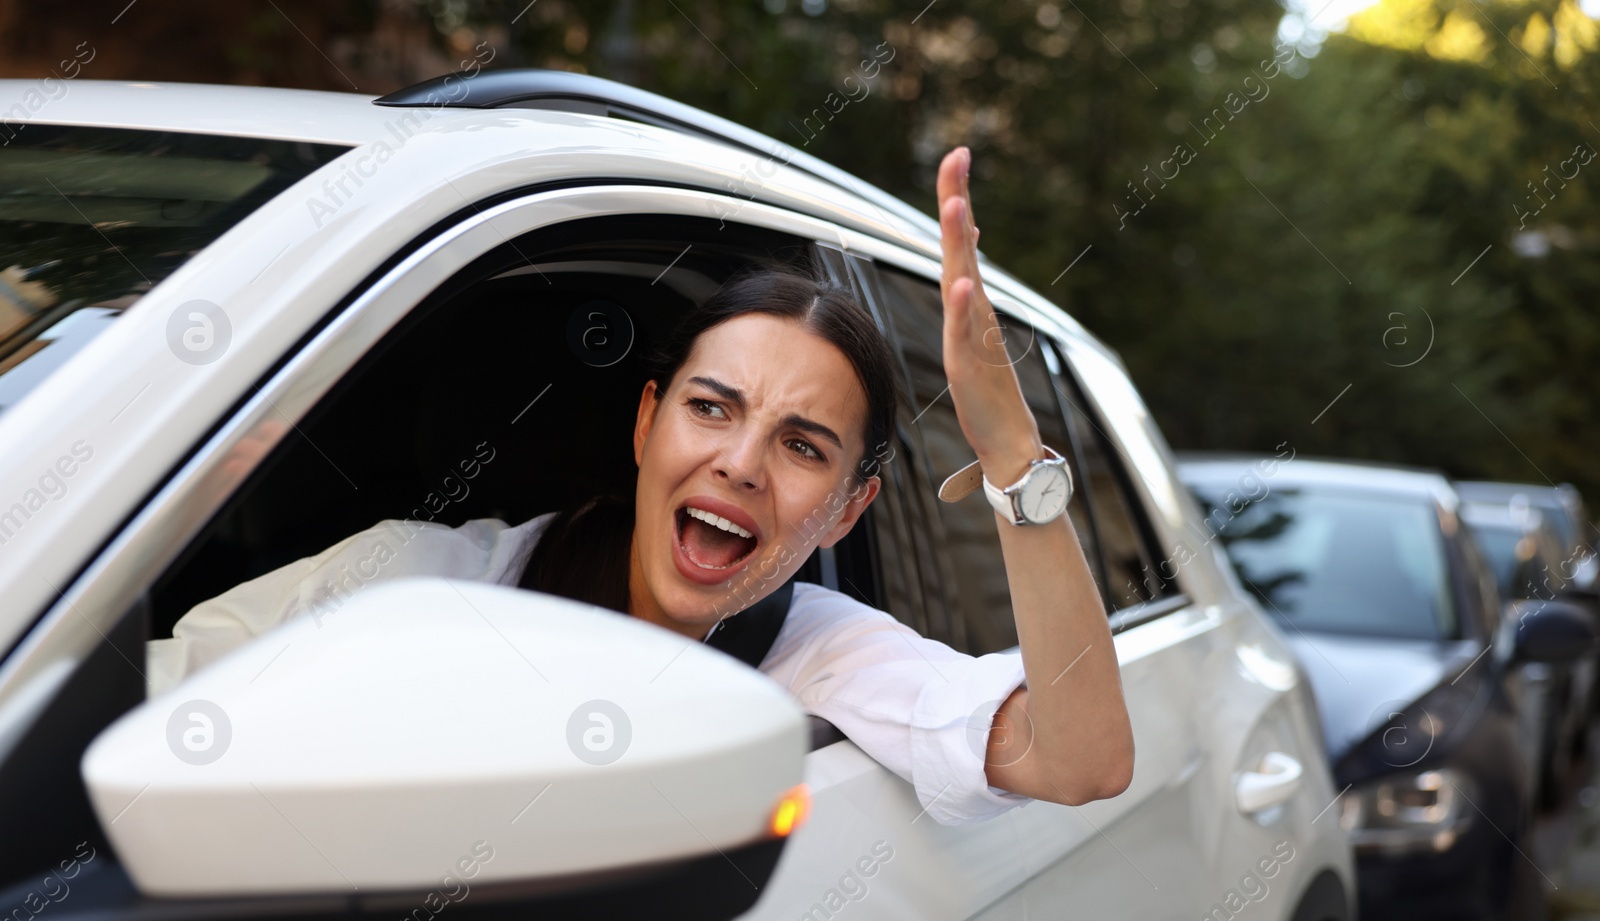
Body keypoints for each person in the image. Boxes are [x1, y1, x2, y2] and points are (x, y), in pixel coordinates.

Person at [146, 147, 1134, 825]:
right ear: (643, 422)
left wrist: (1010, 451)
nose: (740, 462)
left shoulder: (823, 653)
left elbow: (1080, 758)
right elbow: (135, 713)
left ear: (849, 506)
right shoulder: (421, 582)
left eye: (801, 445)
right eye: (711, 407)